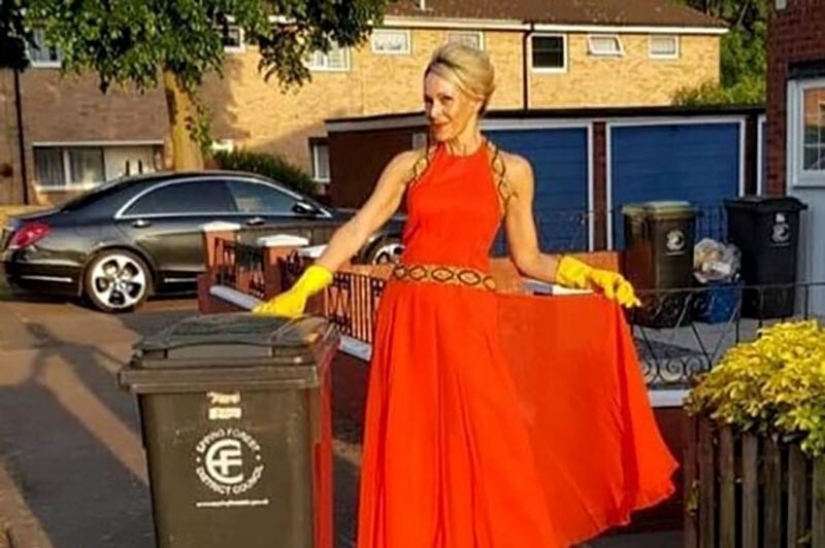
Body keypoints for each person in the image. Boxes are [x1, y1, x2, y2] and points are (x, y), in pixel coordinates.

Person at [255, 43, 656, 547]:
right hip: (409, 320)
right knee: (414, 449)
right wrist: (305, 287)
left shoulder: (512, 171)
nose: (434, 112)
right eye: (428, 101)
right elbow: (357, 229)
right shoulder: (410, 165)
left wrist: (588, 277)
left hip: (470, 322)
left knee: (490, 443)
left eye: (445, 100)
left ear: (477, 99)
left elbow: (528, 257)